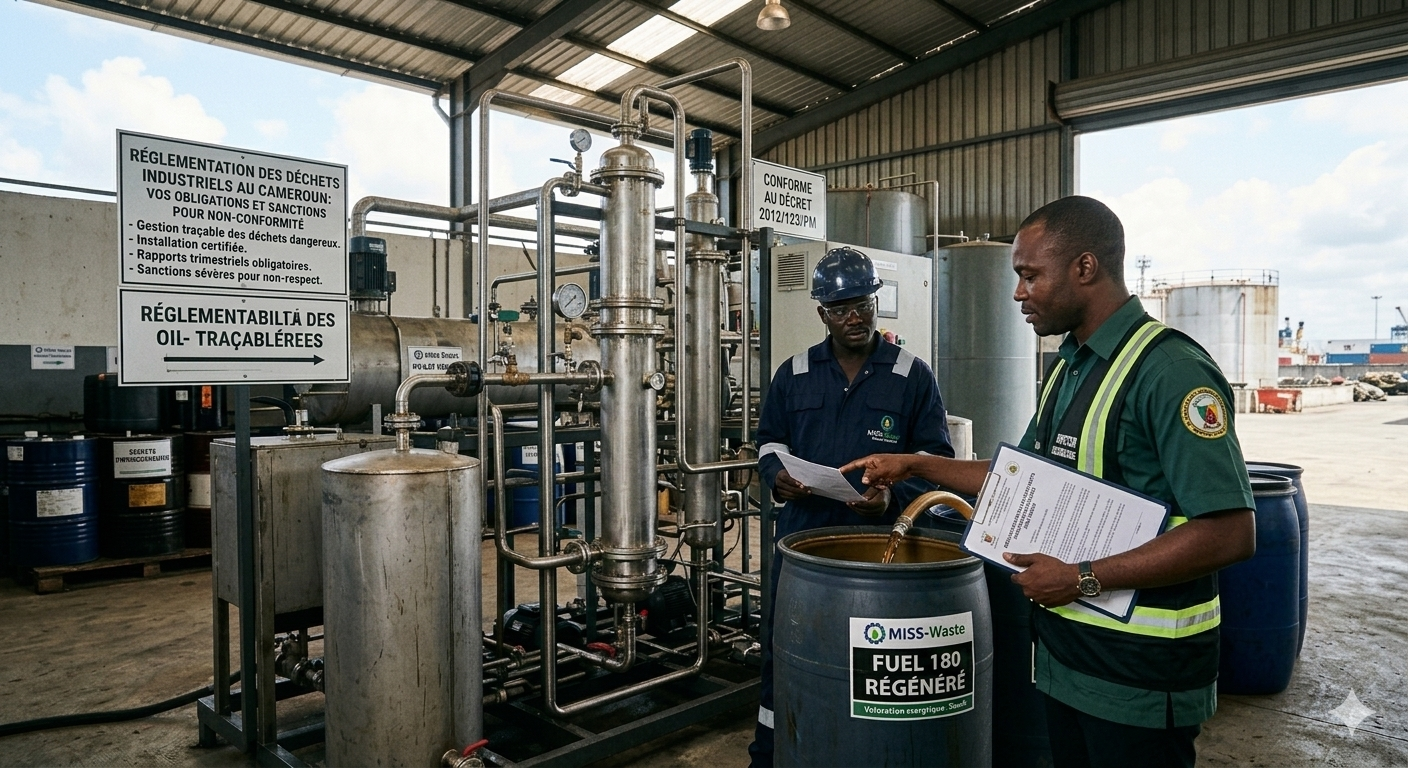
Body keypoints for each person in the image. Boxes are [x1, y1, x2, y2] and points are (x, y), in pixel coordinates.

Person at [841, 196, 1256, 768]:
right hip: (1067, 659)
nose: (1017, 293)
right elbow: (1021, 482)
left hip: (1139, 674)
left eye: (1030, 275)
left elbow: (1229, 532)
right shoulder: (1070, 365)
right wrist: (916, 464)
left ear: (1084, 268)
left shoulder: (1170, 371)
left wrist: (1083, 577)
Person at [747, 246, 955, 768]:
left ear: (875, 302)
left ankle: (862, 752)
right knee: (787, 651)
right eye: (841, 309)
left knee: (867, 662)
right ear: (822, 313)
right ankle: (772, 752)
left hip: (878, 549)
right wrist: (780, 478)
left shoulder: (912, 375)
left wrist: (891, 497)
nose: (855, 317)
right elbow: (769, 441)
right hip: (803, 542)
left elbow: (935, 459)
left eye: (863, 304)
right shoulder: (793, 374)